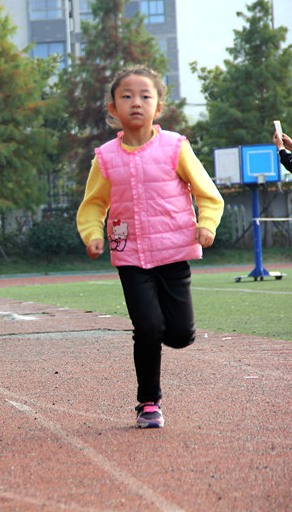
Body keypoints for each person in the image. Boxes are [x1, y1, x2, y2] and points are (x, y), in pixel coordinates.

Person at [76, 65, 224, 429]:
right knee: (148, 328)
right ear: (113, 109)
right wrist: (93, 235)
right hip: (130, 255)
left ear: (159, 108)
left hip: (174, 252)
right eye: (126, 96)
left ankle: (172, 341)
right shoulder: (106, 157)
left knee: (179, 335)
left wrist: (206, 224)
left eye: (145, 96)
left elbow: (208, 193)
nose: (135, 102)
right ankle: (148, 401)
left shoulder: (176, 146)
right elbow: (94, 203)